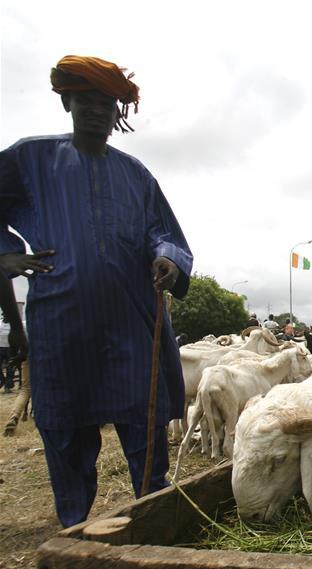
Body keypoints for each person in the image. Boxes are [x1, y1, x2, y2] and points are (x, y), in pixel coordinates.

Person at [0, 55, 193, 528]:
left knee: (144, 424)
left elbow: (162, 231)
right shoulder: (31, 158)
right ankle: (74, 525)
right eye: (86, 101)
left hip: (132, 319)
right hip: (63, 318)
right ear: (67, 102)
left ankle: (153, 520)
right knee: (66, 427)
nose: (96, 112)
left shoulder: (136, 174)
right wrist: (5, 253)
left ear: (118, 113)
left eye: (106, 105)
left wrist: (167, 258)